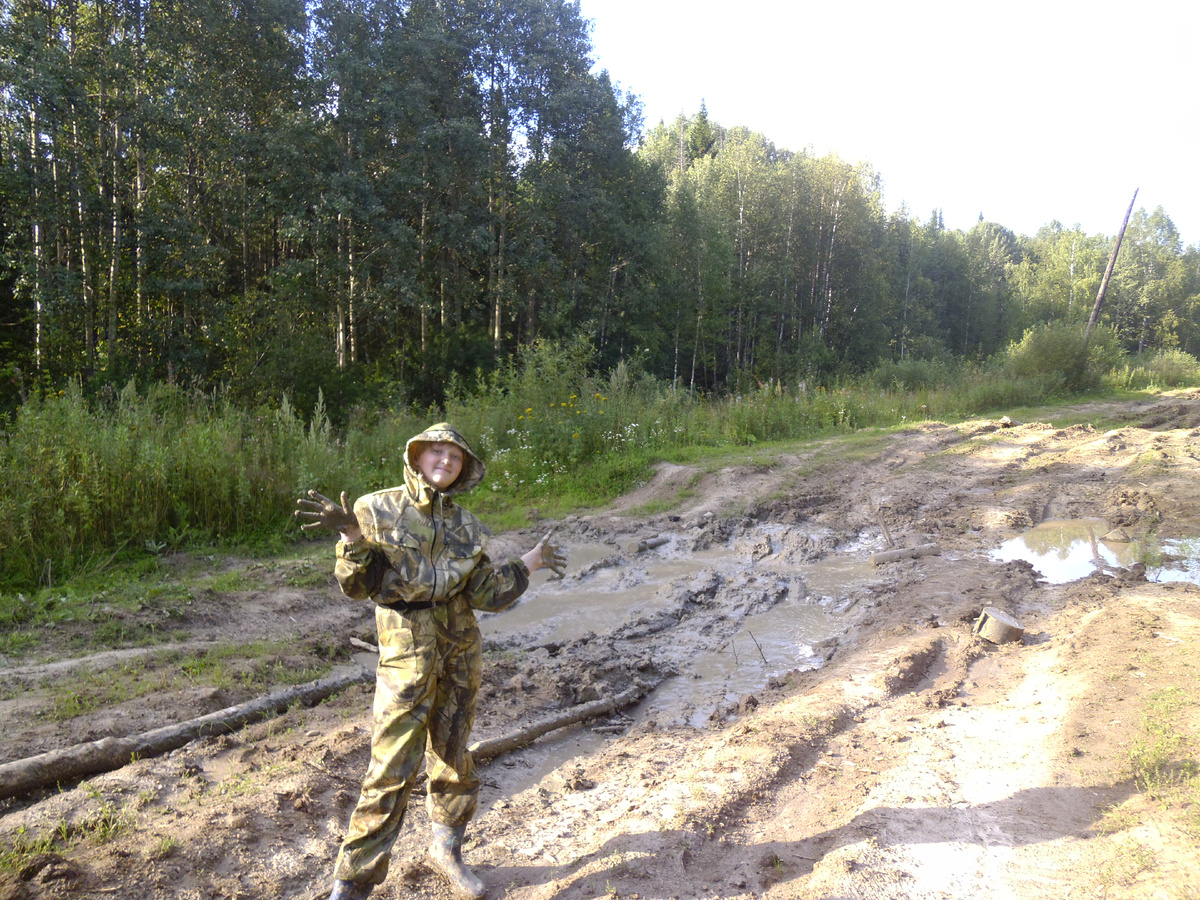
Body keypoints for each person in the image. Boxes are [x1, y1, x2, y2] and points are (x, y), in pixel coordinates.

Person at [296, 422, 566, 900]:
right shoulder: (375, 509)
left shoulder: (468, 526)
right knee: (390, 769)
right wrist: (352, 536)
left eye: (455, 457)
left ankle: (448, 852)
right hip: (406, 656)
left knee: (454, 757)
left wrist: (531, 561)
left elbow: (485, 594)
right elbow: (358, 586)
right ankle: (352, 883)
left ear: (464, 468)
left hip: (460, 651)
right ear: (417, 456)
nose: (446, 461)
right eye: (437, 452)